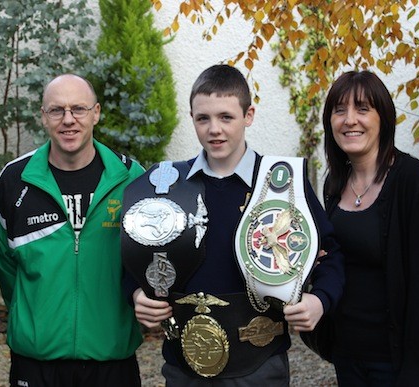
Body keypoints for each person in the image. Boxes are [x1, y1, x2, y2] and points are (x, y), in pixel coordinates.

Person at [126, 64, 344, 386]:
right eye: (203, 118)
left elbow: (330, 254)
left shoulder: (283, 184)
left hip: (258, 366)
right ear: (192, 118)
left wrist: (320, 299)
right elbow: (131, 251)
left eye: (226, 117)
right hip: (183, 367)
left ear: (249, 115)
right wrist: (134, 294)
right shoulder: (167, 184)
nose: (215, 129)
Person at [0, 74, 145, 386]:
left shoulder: (131, 178)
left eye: (79, 109)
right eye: (57, 110)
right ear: (43, 116)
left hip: (111, 362)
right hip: (36, 364)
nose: (68, 120)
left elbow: (145, 262)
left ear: (96, 113)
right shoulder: (14, 180)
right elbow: (6, 266)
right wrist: (35, 317)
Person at [322, 70, 419, 386]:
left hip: (399, 361)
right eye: (340, 110)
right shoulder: (334, 185)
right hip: (348, 356)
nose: (350, 119)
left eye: (362, 108)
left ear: (383, 119)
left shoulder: (414, 182)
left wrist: (415, 370)